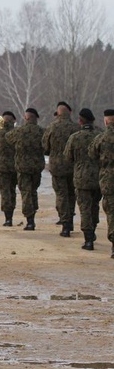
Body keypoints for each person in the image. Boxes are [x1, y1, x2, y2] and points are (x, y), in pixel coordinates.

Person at [64, 108, 101, 250]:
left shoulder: (75, 137)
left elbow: (68, 157)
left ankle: (88, 239)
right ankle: (93, 230)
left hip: (81, 177)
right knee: (94, 206)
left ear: (80, 121)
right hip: (98, 178)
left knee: (85, 208)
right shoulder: (100, 135)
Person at [42, 102, 79, 236]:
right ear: (69, 113)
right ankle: (70, 220)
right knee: (71, 194)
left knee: (61, 195)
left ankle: (65, 224)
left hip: (57, 167)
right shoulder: (76, 127)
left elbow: (45, 147)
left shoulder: (52, 127)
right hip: (73, 167)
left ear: (58, 113)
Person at [6, 108, 46, 231]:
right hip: (37, 167)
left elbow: (8, 138)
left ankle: (30, 220)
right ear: (36, 118)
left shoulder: (18, 131)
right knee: (33, 191)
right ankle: (32, 215)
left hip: (23, 167)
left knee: (26, 193)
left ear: (26, 118)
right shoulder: (42, 132)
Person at [88, 109, 114, 258]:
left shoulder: (101, 138)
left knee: (111, 212)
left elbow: (92, 154)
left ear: (105, 121)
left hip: (108, 180)